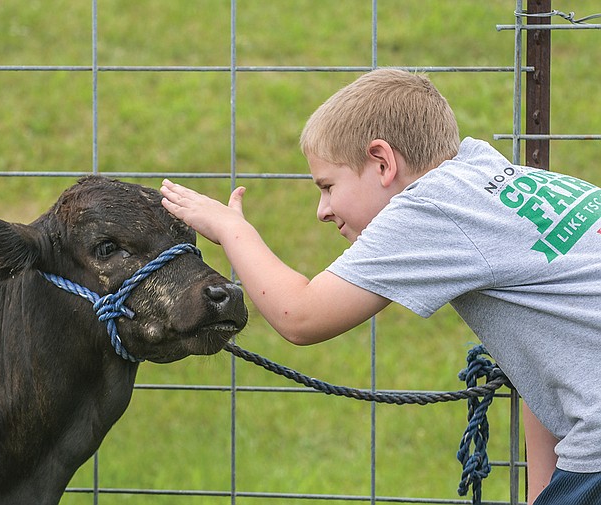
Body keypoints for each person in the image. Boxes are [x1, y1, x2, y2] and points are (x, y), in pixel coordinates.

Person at [160, 68, 601, 505]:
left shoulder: (432, 207)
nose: (323, 210)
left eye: (329, 186)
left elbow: (301, 315)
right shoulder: (490, 177)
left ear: (383, 162)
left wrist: (232, 229)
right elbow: (543, 362)